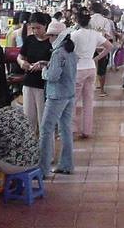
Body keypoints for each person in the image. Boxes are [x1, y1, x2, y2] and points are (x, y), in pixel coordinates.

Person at [40, 25, 77, 175]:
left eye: (50, 36)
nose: (49, 39)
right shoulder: (71, 51)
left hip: (56, 95)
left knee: (46, 130)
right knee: (65, 129)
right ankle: (66, 165)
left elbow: (53, 77)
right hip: (69, 93)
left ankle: (43, 169)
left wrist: (44, 71)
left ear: (57, 37)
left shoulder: (57, 53)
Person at [71, 8, 112, 138]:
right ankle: (86, 130)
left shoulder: (74, 35)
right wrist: (96, 58)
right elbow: (109, 46)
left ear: (77, 21)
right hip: (91, 68)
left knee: (73, 101)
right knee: (88, 101)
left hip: (78, 69)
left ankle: (72, 129)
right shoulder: (95, 34)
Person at [17, 12, 52, 132]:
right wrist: (22, 63)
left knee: (43, 119)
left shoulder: (51, 42)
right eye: (33, 28)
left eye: (38, 28)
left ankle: (45, 149)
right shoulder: (30, 40)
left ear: (45, 25)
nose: (36, 31)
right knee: (29, 119)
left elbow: (55, 64)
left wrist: (43, 65)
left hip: (43, 85)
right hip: (28, 82)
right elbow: (20, 56)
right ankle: (31, 147)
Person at [90, 2, 114, 97]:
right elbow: (107, 35)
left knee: (90, 66)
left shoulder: (89, 20)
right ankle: (102, 90)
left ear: (91, 10)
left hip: (90, 47)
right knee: (102, 69)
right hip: (102, 46)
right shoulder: (105, 21)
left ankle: (91, 87)